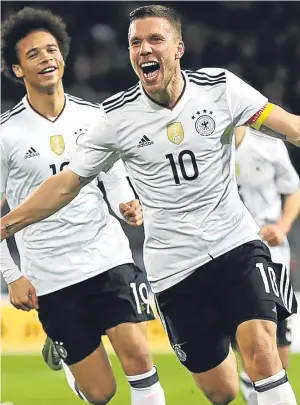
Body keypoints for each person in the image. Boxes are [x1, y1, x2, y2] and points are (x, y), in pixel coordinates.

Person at [1, 4, 300, 405]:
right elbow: (67, 184)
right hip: (174, 269)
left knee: (263, 358)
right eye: (135, 42)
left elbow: (289, 126)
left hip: (235, 246)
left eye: (155, 39)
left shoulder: (220, 88)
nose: (144, 48)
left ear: (178, 48)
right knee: (222, 391)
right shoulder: (116, 118)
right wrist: (7, 226)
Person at [0, 8, 166, 405]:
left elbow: (112, 171)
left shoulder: (94, 117)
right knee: (101, 392)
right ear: (18, 70)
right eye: (34, 54)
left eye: (52, 49)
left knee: (141, 360)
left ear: (63, 56)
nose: (46, 58)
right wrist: (11, 275)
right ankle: (71, 366)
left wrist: (126, 200)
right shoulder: (6, 134)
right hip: (50, 274)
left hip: (106, 256)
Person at [234, 126, 300, 405]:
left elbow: (293, 190)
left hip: (272, 256)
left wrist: (283, 226)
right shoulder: (207, 146)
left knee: (278, 356)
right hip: (231, 255)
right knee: (250, 344)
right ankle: (252, 393)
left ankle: (256, 389)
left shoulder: (268, 146)